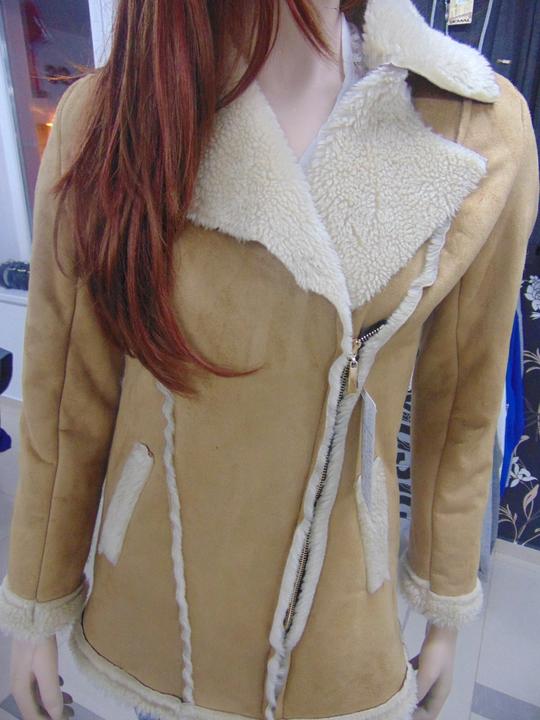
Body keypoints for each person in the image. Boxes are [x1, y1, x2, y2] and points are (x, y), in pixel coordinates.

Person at [0, 1, 538, 720]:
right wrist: (36, 605)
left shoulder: (474, 124)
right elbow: (68, 393)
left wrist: (443, 604)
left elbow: (463, 403)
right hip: (161, 611)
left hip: (338, 620)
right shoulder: (113, 113)